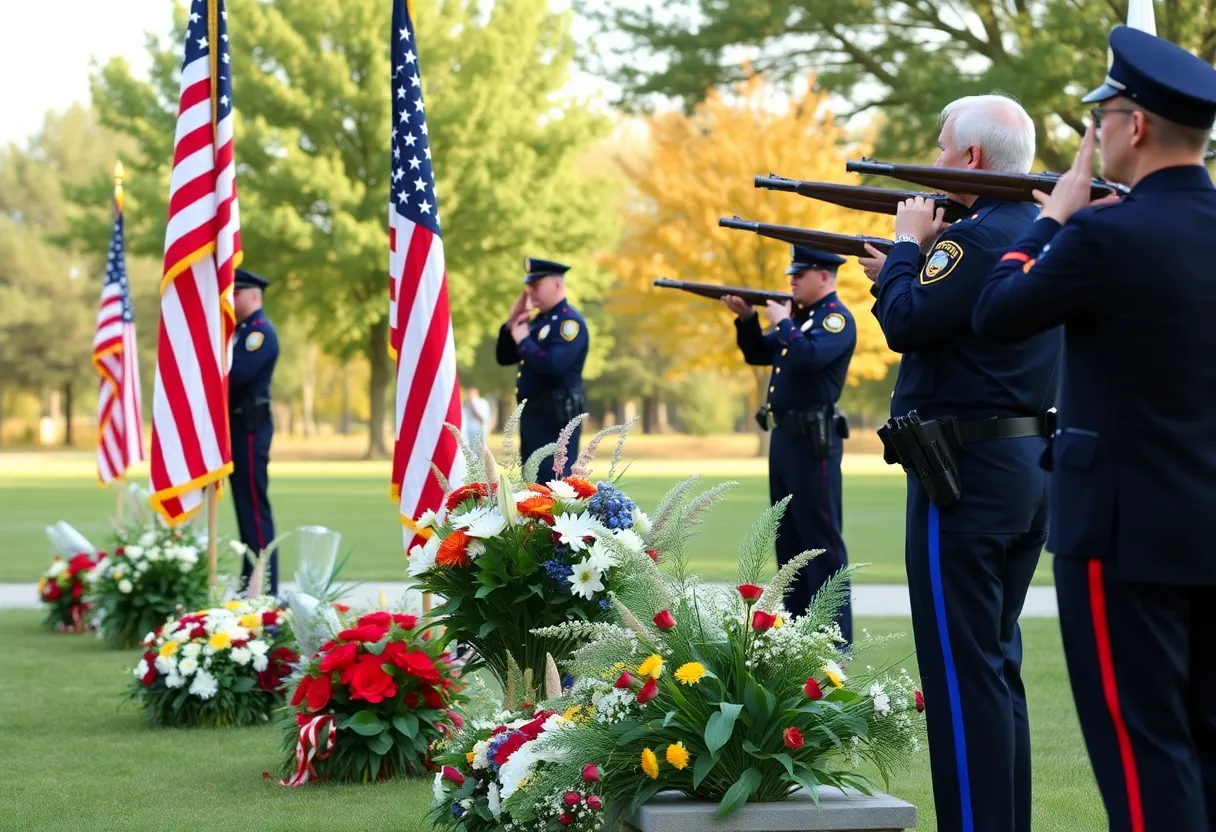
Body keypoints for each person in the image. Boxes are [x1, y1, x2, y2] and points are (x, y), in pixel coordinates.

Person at [972, 27, 1216, 832]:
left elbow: (996, 314)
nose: (1094, 137)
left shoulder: (1103, 235)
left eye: (1099, 119)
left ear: (1135, 126)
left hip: (1122, 533)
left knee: (1145, 754)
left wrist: (1053, 222)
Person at [861, 94, 1062, 832]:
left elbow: (910, 323)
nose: (935, 159)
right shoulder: (1038, 231)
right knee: (994, 668)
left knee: (958, 675)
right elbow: (949, 324)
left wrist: (909, 249)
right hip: (1022, 468)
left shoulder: (973, 239)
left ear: (972, 159)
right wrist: (905, 269)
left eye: (942, 148)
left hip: (965, 478)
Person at [720, 245, 856, 640]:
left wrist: (783, 323)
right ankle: (796, 641)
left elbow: (810, 357)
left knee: (822, 546)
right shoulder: (800, 319)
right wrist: (747, 319)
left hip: (814, 445)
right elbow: (758, 353)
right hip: (784, 440)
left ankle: (834, 645)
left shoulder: (834, 319)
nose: (792, 279)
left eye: (801, 273)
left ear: (825, 276)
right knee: (790, 547)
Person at [495, 257, 588, 483]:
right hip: (533, 416)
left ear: (557, 285)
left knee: (552, 485)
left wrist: (524, 340)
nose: (530, 292)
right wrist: (512, 323)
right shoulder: (538, 322)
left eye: (536, 286)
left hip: (556, 419)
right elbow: (504, 357)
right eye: (528, 286)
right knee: (532, 485)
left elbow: (552, 365)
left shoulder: (568, 324)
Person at [228, 268, 280, 595]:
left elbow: (235, 376)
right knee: (244, 512)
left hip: (249, 428)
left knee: (255, 513)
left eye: (236, 293)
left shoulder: (258, 333)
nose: (230, 299)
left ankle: (265, 588)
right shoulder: (239, 332)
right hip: (235, 427)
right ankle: (251, 582)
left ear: (254, 296)